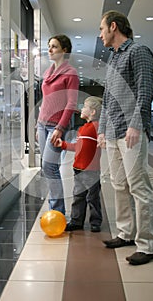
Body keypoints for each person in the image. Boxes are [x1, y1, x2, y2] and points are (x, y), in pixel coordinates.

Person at [97, 10, 153, 265]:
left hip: (131, 132)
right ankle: (126, 233)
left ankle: (147, 245)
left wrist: (136, 124)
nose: (100, 35)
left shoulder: (138, 52)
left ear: (113, 27)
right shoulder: (112, 60)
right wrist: (101, 129)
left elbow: (144, 91)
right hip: (112, 133)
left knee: (139, 187)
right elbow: (108, 99)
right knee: (119, 185)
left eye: (102, 29)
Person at [37, 34, 79, 214]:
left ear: (65, 50)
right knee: (46, 166)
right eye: (49, 46)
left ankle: (57, 212)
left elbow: (71, 104)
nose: (50, 50)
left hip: (57, 126)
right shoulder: (48, 73)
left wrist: (60, 129)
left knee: (50, 167)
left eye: (54, 46)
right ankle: (55, 210)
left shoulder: (71, 74)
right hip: (42, 123)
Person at [55, 96, 103, 232]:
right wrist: (63, 145)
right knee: (78, 196)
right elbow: (78, 147)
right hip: (78, 169)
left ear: (92, 112)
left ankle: (95, 222)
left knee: (92, 197)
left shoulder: (97, 127)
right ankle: (77, 221)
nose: (82, 108)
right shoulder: (83, 128)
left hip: (92, 170)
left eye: (85, 107)